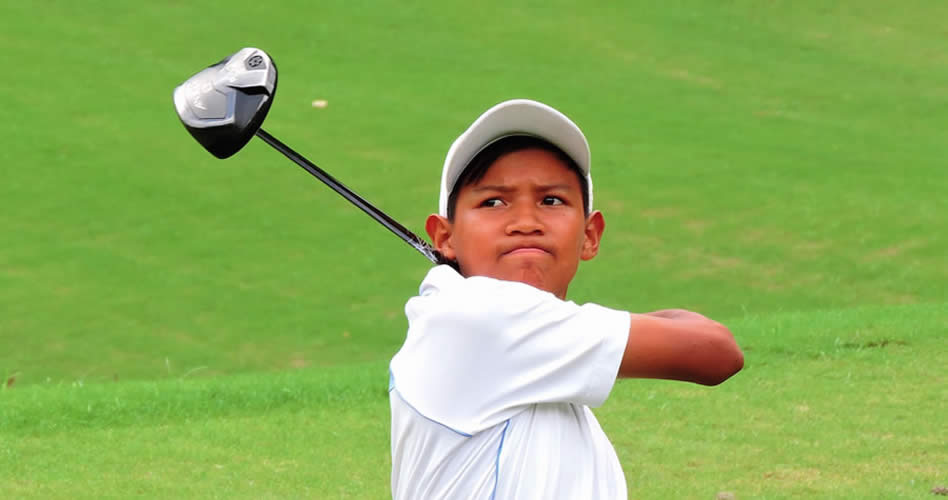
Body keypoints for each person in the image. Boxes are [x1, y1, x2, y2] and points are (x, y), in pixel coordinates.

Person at [388, 99, 744, 499]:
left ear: (590, 235)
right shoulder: (478, 318)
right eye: (493, 202)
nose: (526, 223)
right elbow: (716, 352)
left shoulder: (507, 335)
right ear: (445, 238)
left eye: (551, 200)